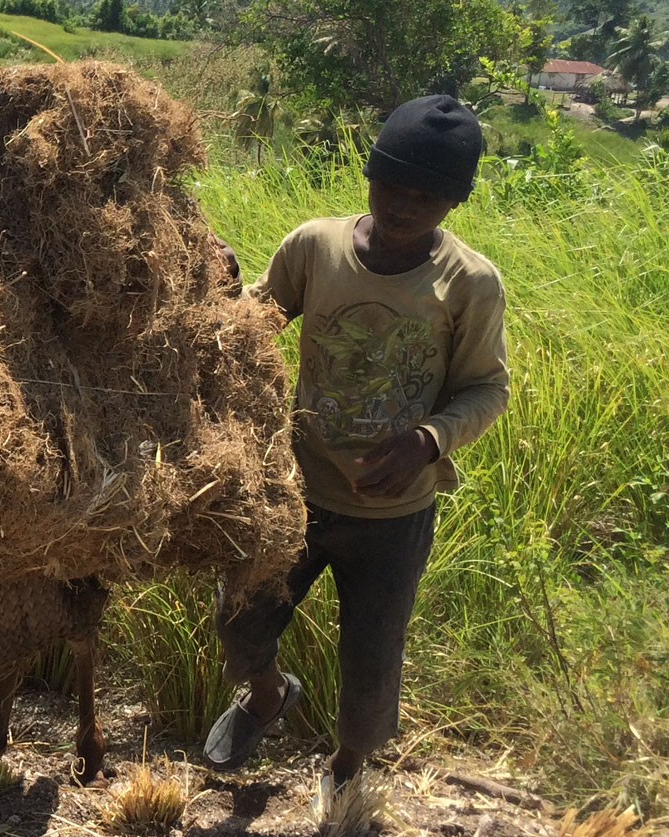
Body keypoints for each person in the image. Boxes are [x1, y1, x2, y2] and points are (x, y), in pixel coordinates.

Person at [203, 94, 508, 786]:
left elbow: (489, 389)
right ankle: (266, 697)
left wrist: (427, 442)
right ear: (368, 173)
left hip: (393, 517)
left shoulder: (470, 285)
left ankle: (346, 764)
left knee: (372, 660)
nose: (403, 204)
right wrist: (219, 291)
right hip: (297, 492)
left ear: (455, 201)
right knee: (240, 622)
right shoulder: (316, 247)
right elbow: (254, 327)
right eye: (390, 184)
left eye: (426, 195)